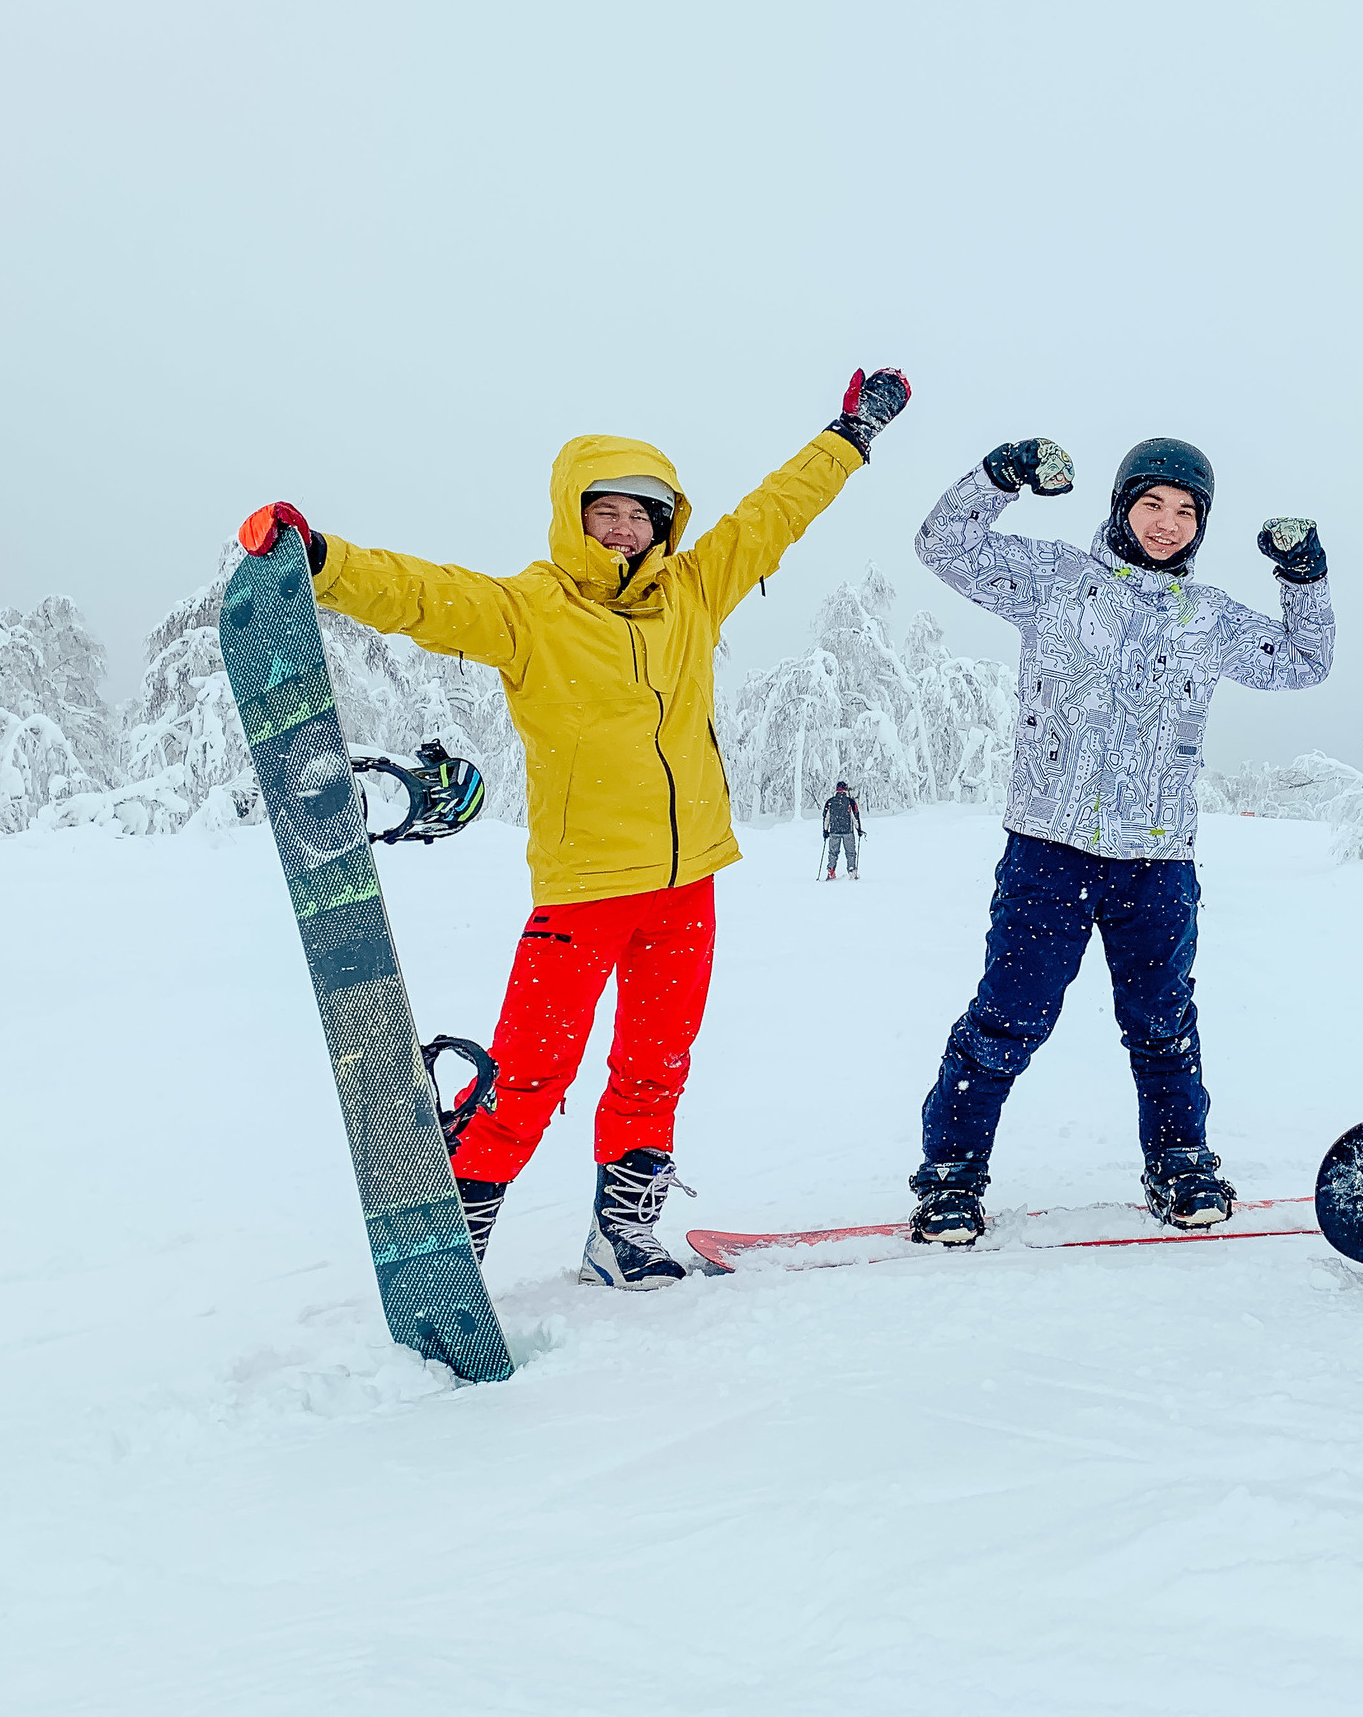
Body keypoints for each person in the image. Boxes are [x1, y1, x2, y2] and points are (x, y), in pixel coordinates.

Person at [238, 368, 909, 1288]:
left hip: (687, 883)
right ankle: (460, 1232)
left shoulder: (694, 593)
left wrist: (850, 436)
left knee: (655, 1065)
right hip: (586, 888)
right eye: (610, 511)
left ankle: (621, 1232)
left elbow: (772, 515)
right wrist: (321, 560)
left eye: (646, 513)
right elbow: (425, 595)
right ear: (574, 515)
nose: (628, 528)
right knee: (528, 1074)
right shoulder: (531, 612)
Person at [905, 434, 1336, 1243]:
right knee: (1007, 1020)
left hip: (1157, 860)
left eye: (1185, 512)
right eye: (1152, 505)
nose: (1167, 525)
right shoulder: (1055, 581)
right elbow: (944, 545)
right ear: (1121, 505)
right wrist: (999, 478)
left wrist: (1303, 578)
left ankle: (1180, 1165)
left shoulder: (1208, 620)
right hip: (1048, 850)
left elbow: (1305, 662)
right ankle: (951, 1177)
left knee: (1163, 1025)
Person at [821, 780, 864, 880]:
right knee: (850, 852)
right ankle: (852, 871)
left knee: (833, 852)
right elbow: (855, 817)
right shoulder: (850, 802)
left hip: (834, 831)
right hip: (848, 831)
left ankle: (831, 871)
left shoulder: (830, 802)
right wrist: (859, 829)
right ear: (845, 790)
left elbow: (826, 817)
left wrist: (825, 830)